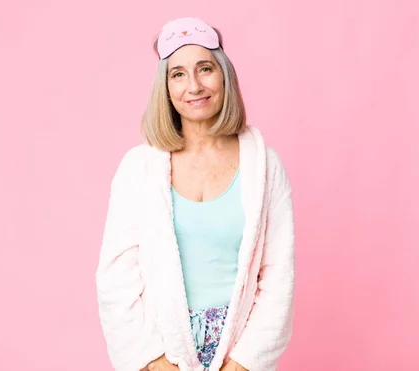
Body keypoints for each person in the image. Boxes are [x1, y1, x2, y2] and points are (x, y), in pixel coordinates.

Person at [95, 17, 295, 371]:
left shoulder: (264, 166)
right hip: (161, 348)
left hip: (239, 349)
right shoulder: (138, 169)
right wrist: (153, 362)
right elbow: (116, 277)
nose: (194, 85)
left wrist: (243, 363)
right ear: (165, 87)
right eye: (178, 74)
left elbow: (278, 274)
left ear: (224, 76)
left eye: (205, 68)